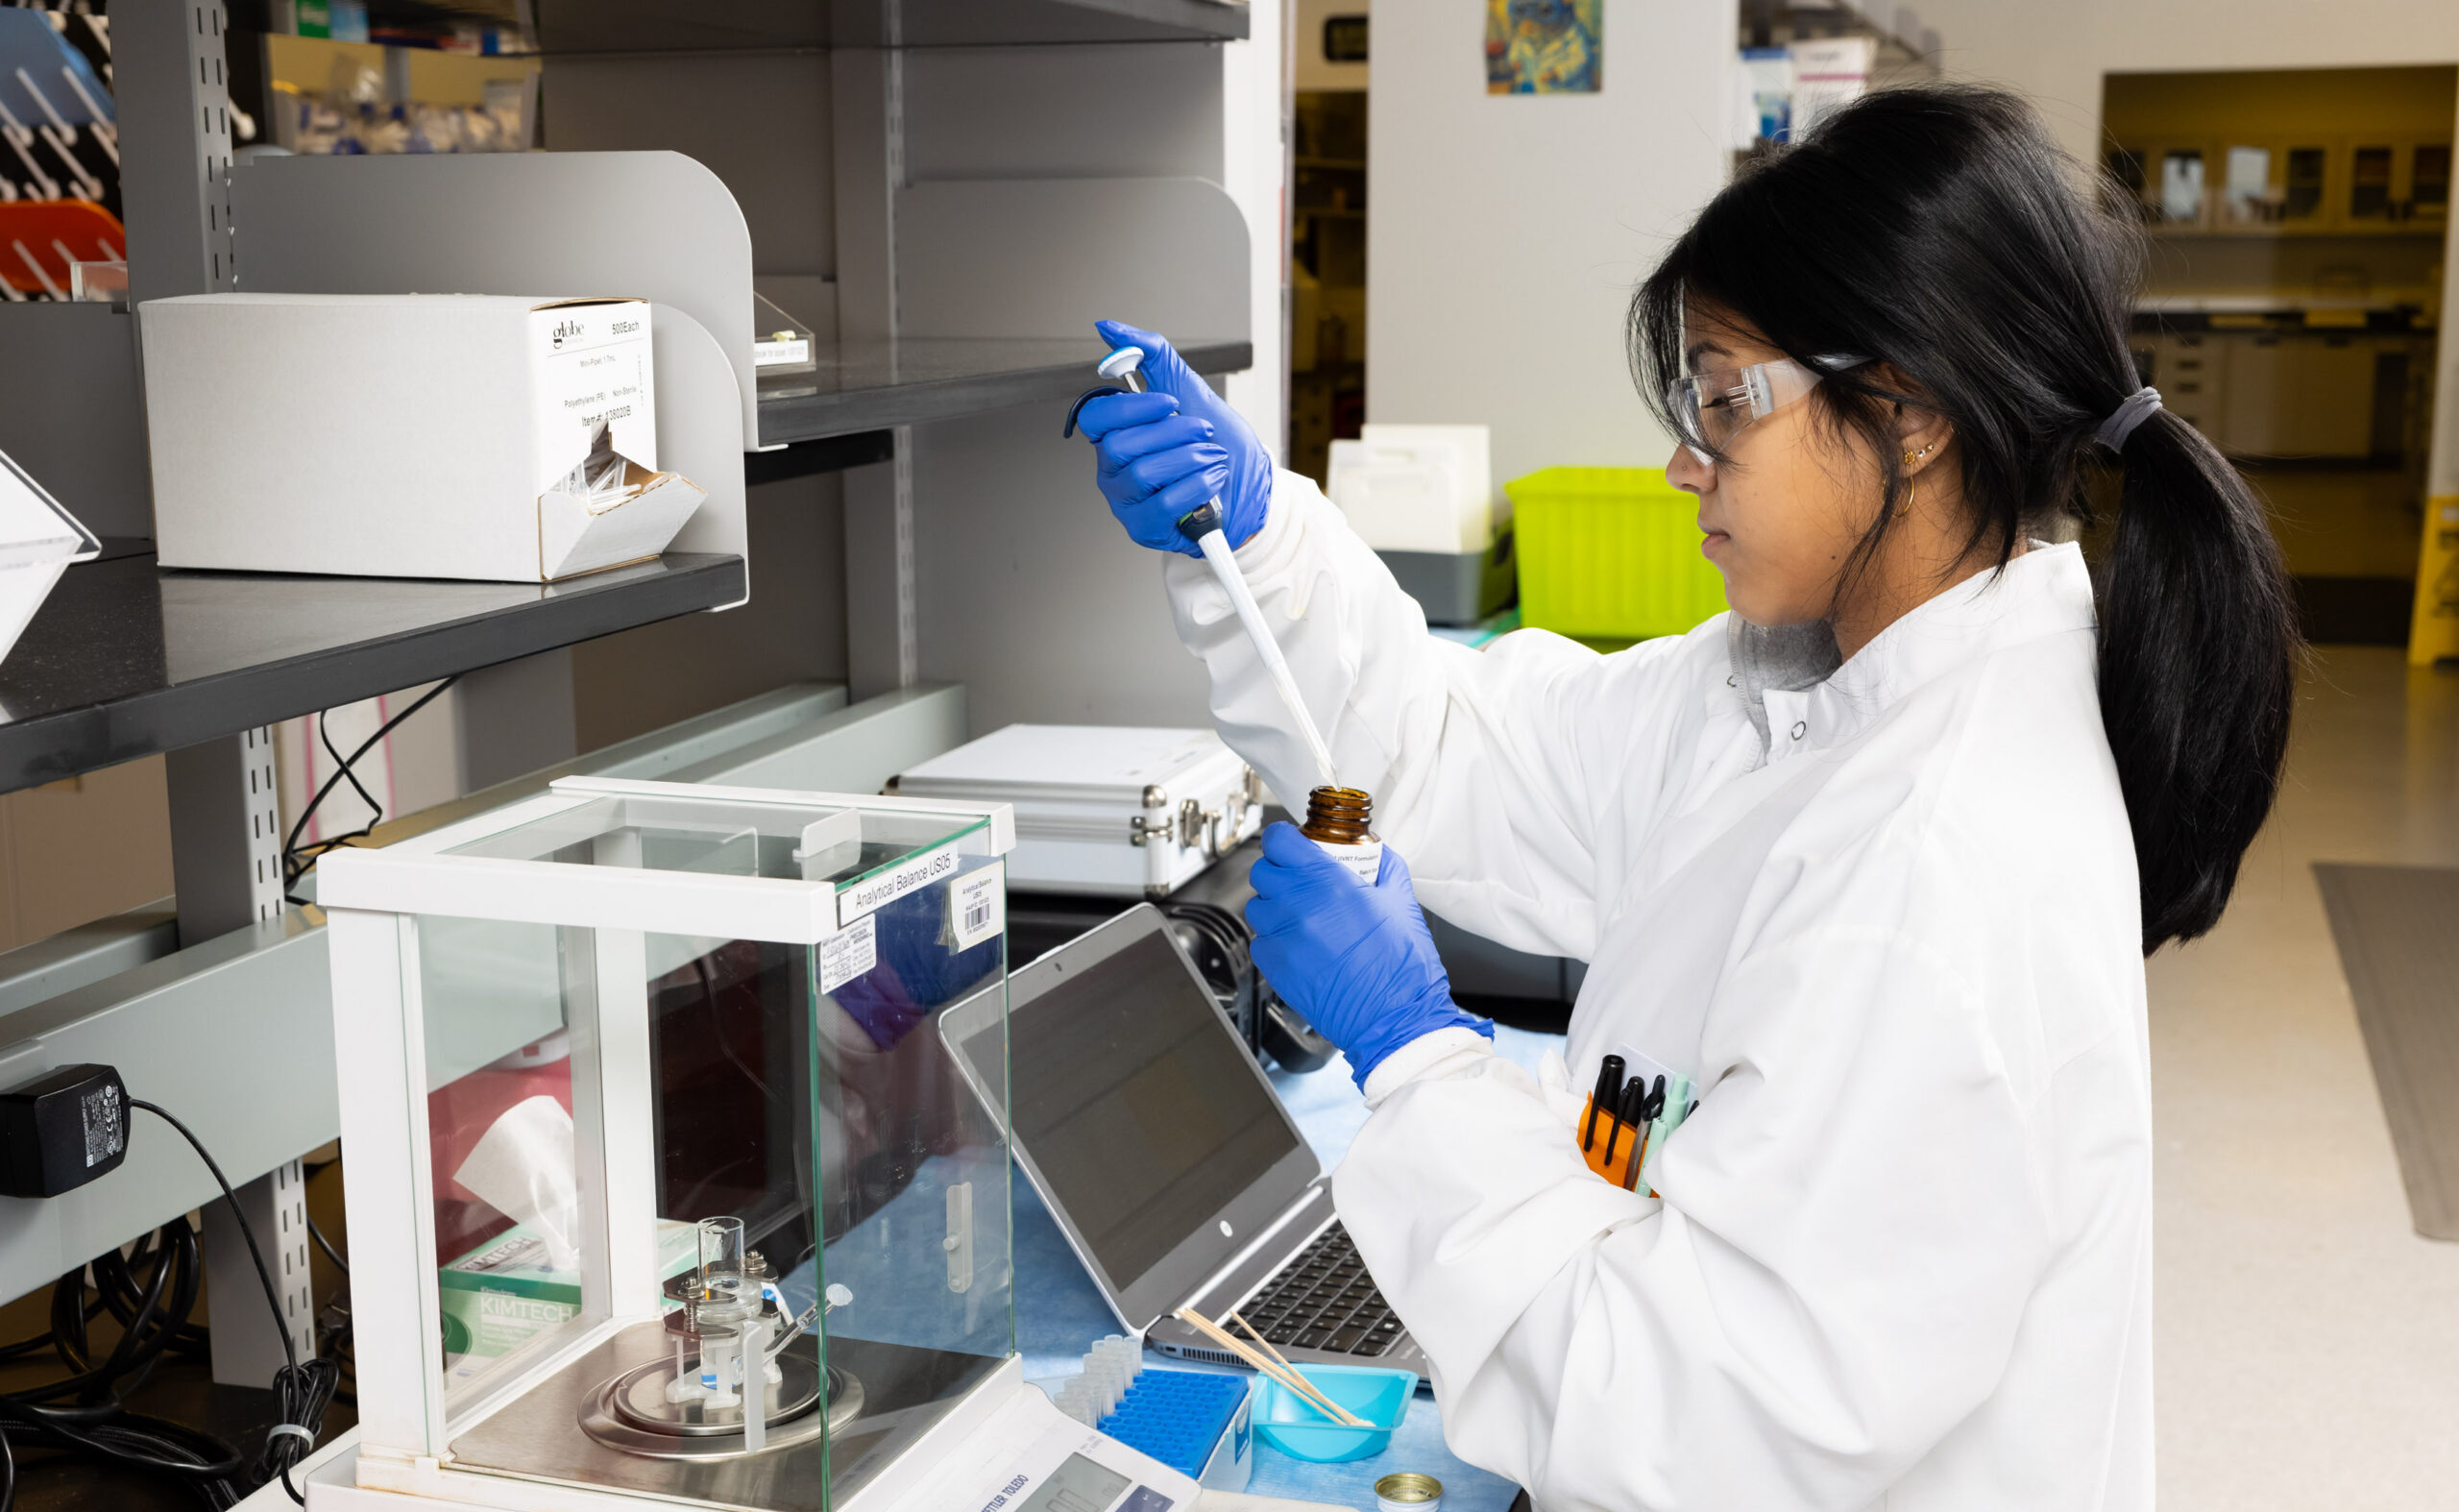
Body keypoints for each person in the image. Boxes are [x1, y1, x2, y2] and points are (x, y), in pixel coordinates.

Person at [1072, 85, 2297, 1511]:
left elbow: (1696, 1422)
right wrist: (1261, 536)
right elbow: (1462, 748)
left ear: (1909, 420)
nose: (1681, 461)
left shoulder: (1938, 859)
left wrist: (1415, 1056)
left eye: (1727, 401)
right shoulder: (1798, 688)